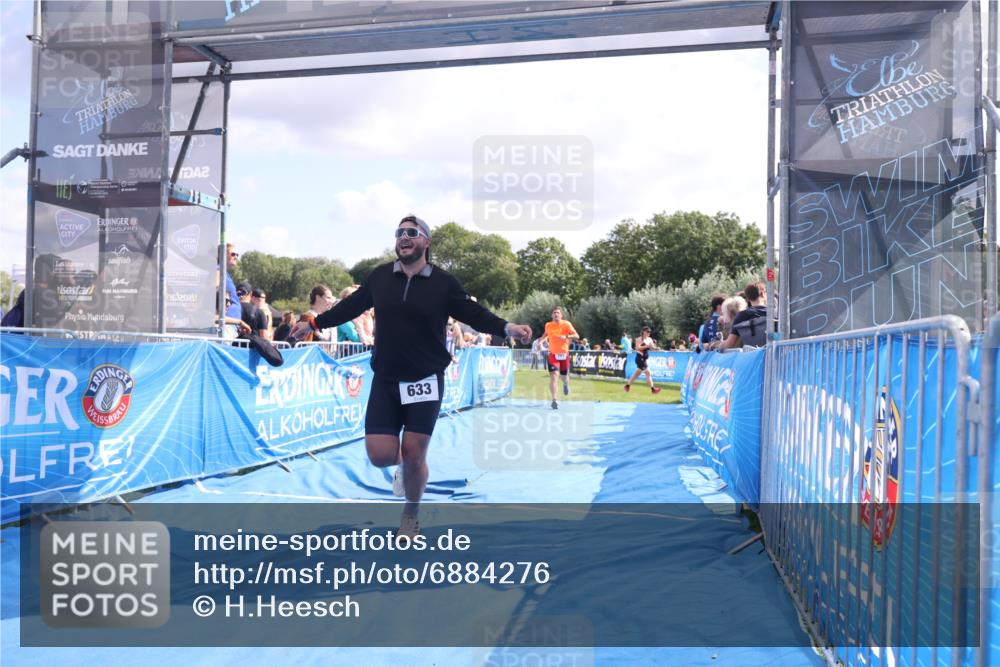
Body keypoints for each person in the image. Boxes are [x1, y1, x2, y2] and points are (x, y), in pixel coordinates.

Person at [292, 214, 531, 537]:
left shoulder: (444, 283)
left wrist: (507, 327)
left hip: (426, 379)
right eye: (400, 233)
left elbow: (475, 314)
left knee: (416, 452)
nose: (404, 237)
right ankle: (404, 469)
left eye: (412, 233)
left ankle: (410, 516)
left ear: (427, 242)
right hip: (387, 379)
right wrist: (315, 323)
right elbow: (349, 308)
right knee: (380, 456)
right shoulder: (379, 278)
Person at [540, 306, 579, 410]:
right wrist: (540, 342)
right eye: (554, 313)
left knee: (564, 376)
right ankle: (554, 400)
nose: (556, 314)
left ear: (561, 315)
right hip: (553, 354)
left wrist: (566, 337)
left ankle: (566, 384)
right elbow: (545, 335)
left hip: (564, 354)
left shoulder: (566, 324)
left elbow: (577, 336)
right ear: (552, 315)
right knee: (554, 376)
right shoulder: (548, 325)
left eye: (558, 313)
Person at [722, 281, 768, 349]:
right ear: (763, 294)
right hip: (775, 355)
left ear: (748, 298)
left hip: (752, 356)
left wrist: (715, 345)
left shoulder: (742, 316)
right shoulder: (774, 314)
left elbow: (729, 345)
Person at [624, 326, 663, 394]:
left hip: (644, 359)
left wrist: (656, 348)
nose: (649, 333)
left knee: (637, 374)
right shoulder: (639, 339)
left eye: (649, 332)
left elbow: (652, 348)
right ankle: (653, 389)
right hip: (639, 358)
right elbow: (638, 348)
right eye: (647, 332)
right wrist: (647, 346)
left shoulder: (650, 339)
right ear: (643, 332)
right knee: (648, 373)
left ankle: (627, 386)